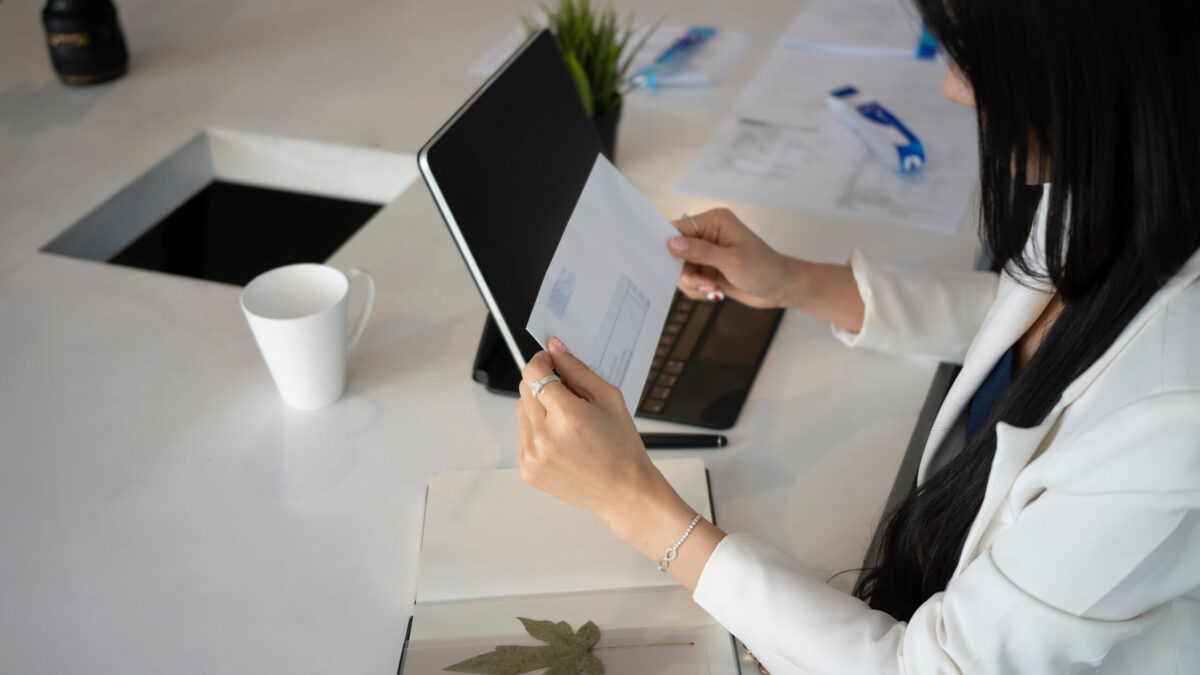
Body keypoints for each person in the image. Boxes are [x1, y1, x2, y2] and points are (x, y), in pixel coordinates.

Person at [514, 0, 1200, 671]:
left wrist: (635, 503)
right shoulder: (1132, 174)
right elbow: (1042, 306)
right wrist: (792, 280)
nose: (953, 89)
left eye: (976, 59)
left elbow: (935, 667)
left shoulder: (1173, 417)